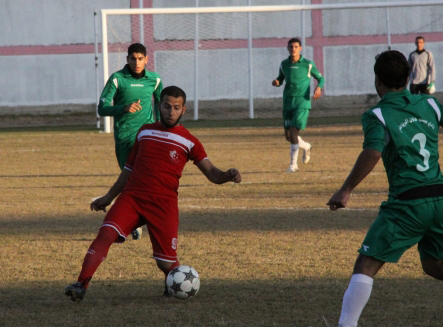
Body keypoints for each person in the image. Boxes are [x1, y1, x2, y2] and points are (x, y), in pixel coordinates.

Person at [327, 50, 443, 327]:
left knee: (365, 266)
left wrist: (346, 189)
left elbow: (373, 152)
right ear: (408, 77)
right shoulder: (429, 104)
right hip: (440, 201)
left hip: (408, 203)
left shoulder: (377, 114)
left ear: (377, 80)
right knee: (435, 265)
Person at [65, 86, 242, 302]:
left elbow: (212, 173)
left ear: (183, 110)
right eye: (166, 106)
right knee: (105, 234)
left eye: (176, 108)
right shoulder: (145, 131)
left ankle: (173, 283)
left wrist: (228, 175)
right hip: (132, 198)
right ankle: (81, 284)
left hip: (163, 205)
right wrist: (109, 197)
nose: (171, 112)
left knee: (165, 263)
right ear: (159, 106)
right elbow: (128, 171)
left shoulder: (190, 141)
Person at [98, 43, 164, 240]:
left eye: (140, 58)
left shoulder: (155, 79)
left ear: (146, 59)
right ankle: (131, 221)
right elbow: (102, 108)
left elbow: (161, 103)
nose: (137, 62)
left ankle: (140, 222)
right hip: (125, 137)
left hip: (148, 136)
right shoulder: (117, 79)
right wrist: (123, 108)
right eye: (133, 58)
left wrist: (161, 127)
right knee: (129, 181)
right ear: (127, 59)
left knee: (150, 179)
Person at [272, 38, 325, 172]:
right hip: (288, 102)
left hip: (302, 102)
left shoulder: (308, 64)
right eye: (291, 47)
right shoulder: (284, 64)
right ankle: (306, 146)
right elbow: (280, 78)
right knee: (289, 137)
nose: (293, 49)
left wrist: (319, 88)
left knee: (294, 131)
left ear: (300, 48)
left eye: (296, 47)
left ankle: (293, 165)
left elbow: (320, 78)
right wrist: (277, 82)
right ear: (288, 48)